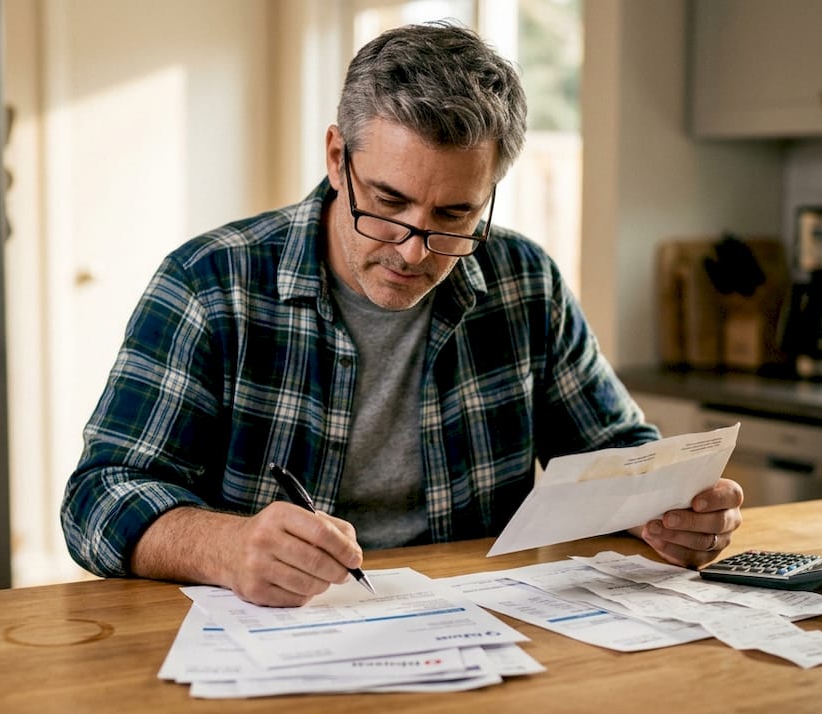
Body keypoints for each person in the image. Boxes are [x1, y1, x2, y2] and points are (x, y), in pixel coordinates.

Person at [61, 21, 743, 607]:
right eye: (387, 203)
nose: (414, 251)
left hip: (475, 631)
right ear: (337, 158)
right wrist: (227, 546)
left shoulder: (524, 281)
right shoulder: (212, 284)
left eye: (454, 215)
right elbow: (97, 499)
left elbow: (615, 454)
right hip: (271, 642)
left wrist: (668, 507)